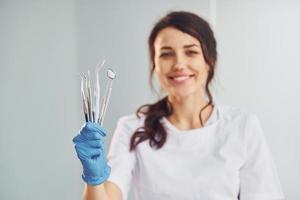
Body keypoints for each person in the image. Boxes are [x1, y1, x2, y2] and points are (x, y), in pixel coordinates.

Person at [72, 11, 285, 200]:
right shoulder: (132, 128)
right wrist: (94, 179)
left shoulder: (242, 126)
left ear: (209, 61)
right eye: (166, 54)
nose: (179, 64)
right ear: (155, 64)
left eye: (191, 52)